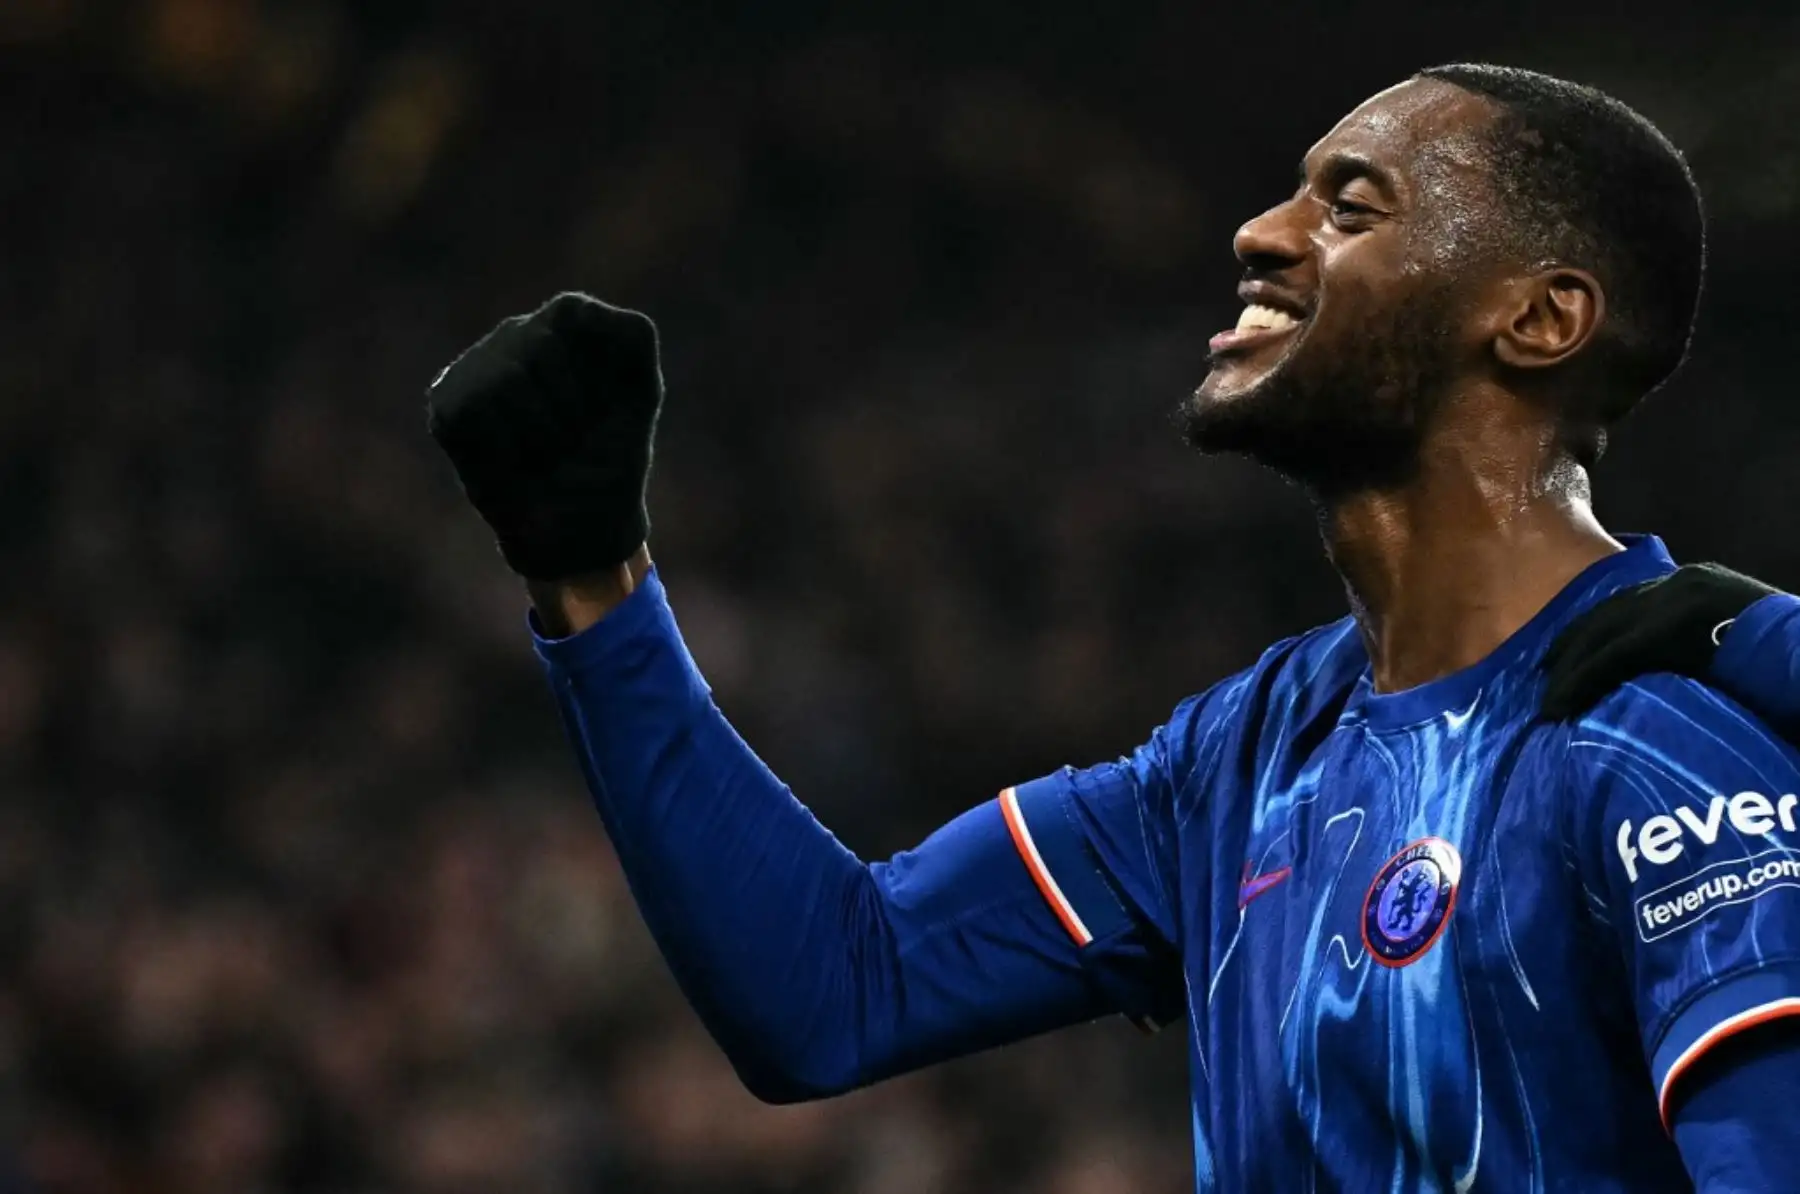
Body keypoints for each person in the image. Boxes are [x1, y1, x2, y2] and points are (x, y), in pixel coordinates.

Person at [425, 64, 1800, 1191]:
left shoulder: (1669, 752)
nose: (1264, 231)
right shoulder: (1241, 756)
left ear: (1540, 317)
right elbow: (833, 986)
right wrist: (594, 586)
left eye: (1352, 204)